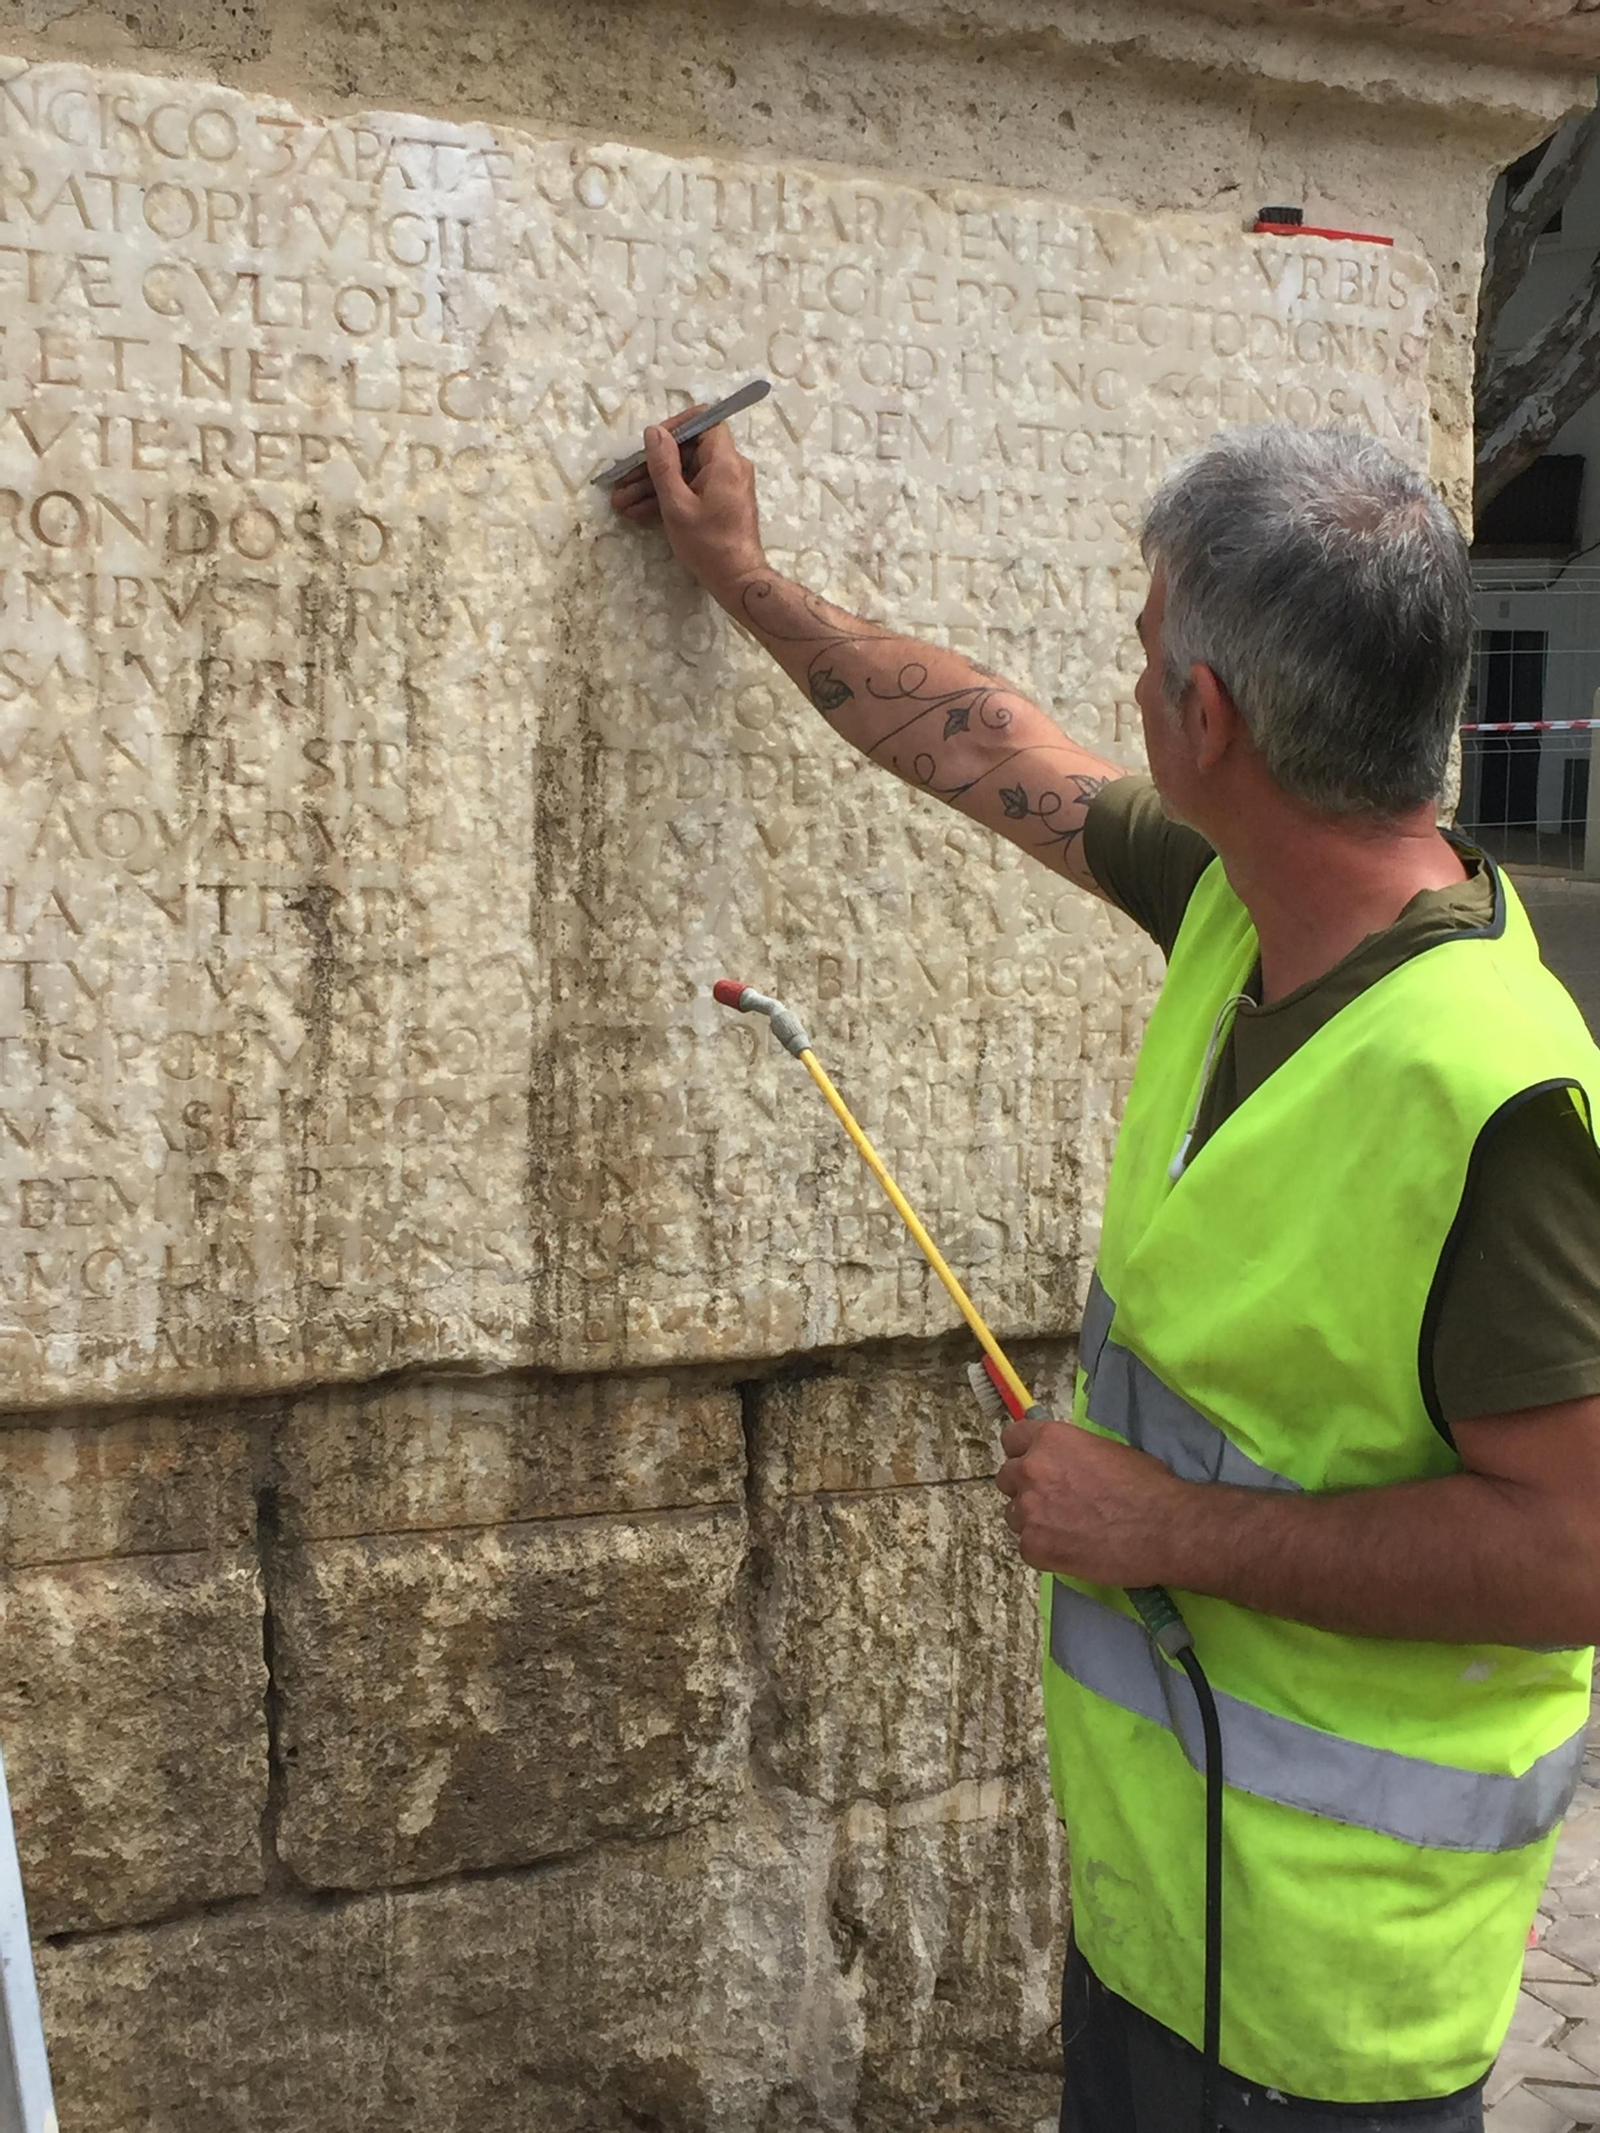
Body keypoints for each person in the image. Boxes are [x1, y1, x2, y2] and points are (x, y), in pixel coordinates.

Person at [612, 416, 1600, 2132]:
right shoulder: (1241, 895)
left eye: (1148, 649)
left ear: (1208, 714)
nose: (1130, 686)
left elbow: (1577, 1548)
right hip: (1159, 1916)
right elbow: (985, 745)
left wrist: (1162, 1528)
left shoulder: (1492, 1088)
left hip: (1329, 2010)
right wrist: (743, 577)